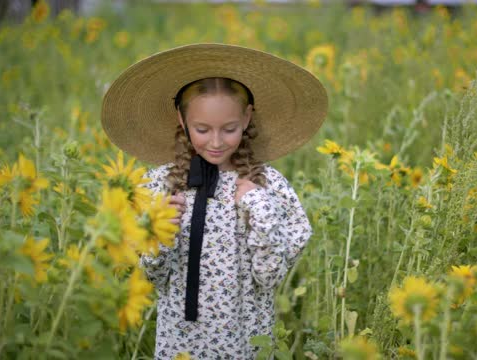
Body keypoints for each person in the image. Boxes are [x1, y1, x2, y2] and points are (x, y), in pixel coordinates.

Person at [100, 43, 328, 359]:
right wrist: (160, 229)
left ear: (247, 118)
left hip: (244, 342)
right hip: (181, 344)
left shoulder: (268, 185)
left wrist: (259, 206)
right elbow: (153, 277)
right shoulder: (162, 185)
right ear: (182, 120)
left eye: (229, 129)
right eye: (203, 129)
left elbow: (269, 277)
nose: (217, 142)